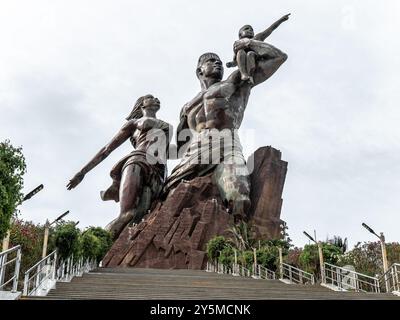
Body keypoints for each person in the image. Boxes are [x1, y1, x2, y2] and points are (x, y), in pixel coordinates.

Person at [164, 20, 289, 219]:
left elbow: (279, 57)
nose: (218, 64)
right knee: (170, 200)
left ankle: (233, 245)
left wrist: (248, 43)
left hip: (227, 147)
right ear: (200, 71)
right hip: (195, 152)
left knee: (239, 197)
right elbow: (178, 146)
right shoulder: (187, 107)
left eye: (220, 62)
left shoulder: (235, 81)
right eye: (212, 62)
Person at [67, 94, 172, 239]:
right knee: (128, 214)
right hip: (137, 163)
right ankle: (100, 245)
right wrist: (82, 172)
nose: (156, 99)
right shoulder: (134, 124)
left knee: (146, 215)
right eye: (151, 97)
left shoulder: (166, 125)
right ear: (142, 105)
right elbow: (106, 149)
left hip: (159, 173)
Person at [226, 14, 290, 84]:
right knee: (240, 52)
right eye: (246, 29)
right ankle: (243, 74)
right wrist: (231, 64)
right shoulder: (238, 44)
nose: (250, 30)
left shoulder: (257, 38)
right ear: (240, 35)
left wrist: (281, 20)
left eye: (252, 30)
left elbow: (270, 29)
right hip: (243, 61)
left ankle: (250, 75)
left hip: (255, 58)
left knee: (250, 54)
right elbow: (235, 60)